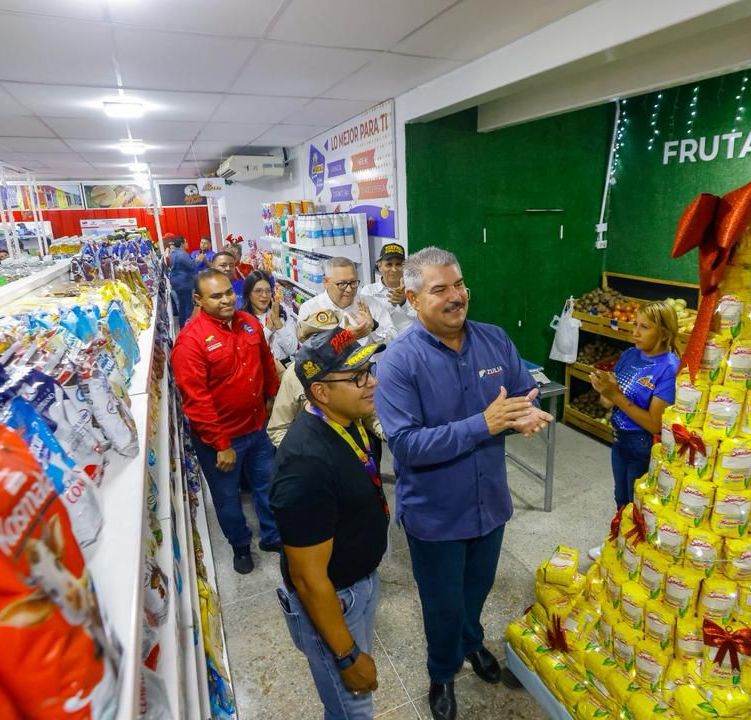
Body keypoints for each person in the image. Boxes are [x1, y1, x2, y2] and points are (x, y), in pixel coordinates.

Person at [373, 246, 552, 720]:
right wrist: (486, 424)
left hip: (489, 504)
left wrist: (525, 413)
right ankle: (442, 670)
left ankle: (472, 644)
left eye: (459, 285)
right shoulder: (396, 364)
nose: (456, 297)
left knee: (477, 590)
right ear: (413, 299)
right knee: (442, 604)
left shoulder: (494, 341)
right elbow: (407, 445)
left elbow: (518, 395)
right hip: (436, 515)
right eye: (440, 290)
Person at [270, 327, 389, 720]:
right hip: (335, 600)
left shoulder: (350, 418)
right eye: (357, 377)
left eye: (369, 369)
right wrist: (347, 655)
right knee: (352, 709)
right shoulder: (304, 465)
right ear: (320, 392)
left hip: (359, 582)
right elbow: (307, 577)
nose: (371, 382)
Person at [171, 269, 282, 574]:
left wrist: (271, 396)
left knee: (266, 484)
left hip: (257, 427)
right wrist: (222, 445)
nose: (226, 300)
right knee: (228, 498)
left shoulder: (248, 324)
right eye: (215, 296)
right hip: (221, 440)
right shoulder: (190, 342)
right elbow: (196, 401)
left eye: (228, 293)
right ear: (198, 299)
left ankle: (272, 536)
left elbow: (265, 362)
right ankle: (240, 546)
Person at [589, 300, 679, 508]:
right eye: (635, 324)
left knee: (637, 505)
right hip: (619, 441)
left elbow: (654, 424)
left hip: (643, 446)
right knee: (621, 499)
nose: (635, 332)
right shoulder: (630, 355)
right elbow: (607, 402)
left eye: (644, 327)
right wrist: (605, 391)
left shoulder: (669, 368)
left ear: (664, 333)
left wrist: (615, 395)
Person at [267, 309, 384, 448]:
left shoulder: (355, 365)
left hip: (359, 446)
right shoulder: (293, 375)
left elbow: (370, 414)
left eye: (331, 335)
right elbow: (278, 428)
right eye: (318, 337)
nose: (325, 344)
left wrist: (387, 432)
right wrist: (302, 456)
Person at [298, 257, 397, 347]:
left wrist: (373, 328)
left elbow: (394, 339)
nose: (349, 289)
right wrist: (346, 338)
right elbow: (309, 353)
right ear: (325, 282)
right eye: (342, 284)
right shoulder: (310, 309)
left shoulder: (370, 304)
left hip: (370, 365)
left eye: (353, 282)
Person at [241, 270, 299, 364]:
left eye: (268, 291)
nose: (264, 296)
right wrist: (268, 329)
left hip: (285, 368)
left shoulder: (282, 312)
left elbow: (292, 349)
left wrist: (277, 322)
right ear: (248, 293)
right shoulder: (241, 319)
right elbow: (250, 353)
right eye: (258, 291)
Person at [360, 242, 416, 335]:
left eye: (398, 264)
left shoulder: (414, 289)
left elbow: (422, 320)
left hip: (408, 343)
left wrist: (404, 302)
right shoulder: (368, 291)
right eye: (389, 264)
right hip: (380, 343)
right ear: (379, 266)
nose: (394, 269)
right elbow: (367, 322)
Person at [166, 235, 197, 326]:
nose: (187, 244)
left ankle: (182, 325)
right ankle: (189, 325)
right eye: (186, 242)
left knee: (182, 305)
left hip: (176, 282)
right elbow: (192, 266)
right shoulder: (182, 254)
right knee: (188, 305)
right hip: (185, 283)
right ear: (182, 243)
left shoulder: (173, 254)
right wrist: (198, 260)